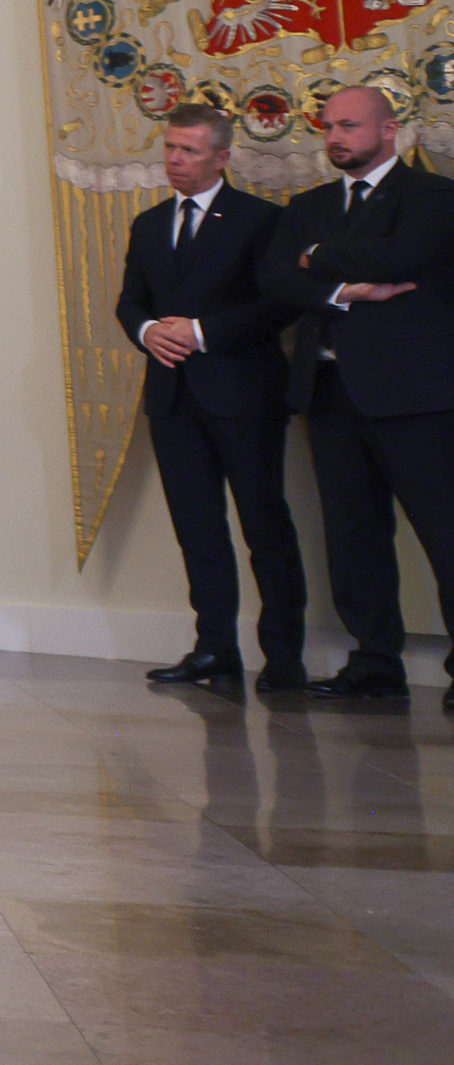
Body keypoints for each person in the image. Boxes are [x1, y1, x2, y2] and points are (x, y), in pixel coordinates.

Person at [259, 83, 454, 706]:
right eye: (328, 127)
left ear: (389, 130)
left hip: (417, 397)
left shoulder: (433, 195)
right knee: (353, 535)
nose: (335, 137)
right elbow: (274, 277)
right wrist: (347, 289)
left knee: (446, 533)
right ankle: (374, 659)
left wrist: (317, 258)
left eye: (348, 125)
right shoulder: (307, 204)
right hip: (330, 393)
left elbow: (402, 255)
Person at [113, 105, 304, 695]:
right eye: (170, 148)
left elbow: (279, 303)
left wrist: (201, 333)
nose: (175, 159)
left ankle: (283, 657)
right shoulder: (148, 224)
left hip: (243, 393)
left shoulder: (262, 219)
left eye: (189, 150)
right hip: (173, 396)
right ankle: (214, 649)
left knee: (264, 525)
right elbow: (131, 302)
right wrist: (148, 333)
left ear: (222, 157)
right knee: (197, 530)